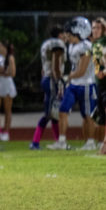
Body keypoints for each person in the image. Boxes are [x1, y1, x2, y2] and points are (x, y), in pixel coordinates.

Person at [49, 17, 97, 150]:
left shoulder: (86, 47)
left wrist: (66, 77)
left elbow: (81, 71)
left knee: (87, 115)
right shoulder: (72, 46)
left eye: (70, 34)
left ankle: (90, 142)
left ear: (79, 33)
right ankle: (62, 141)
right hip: (74, 84)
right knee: (62, 110)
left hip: (86, 84)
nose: (67, 36)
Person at [30, 26, 66, 150]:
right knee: (49, 113)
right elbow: (56, 63)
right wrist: (59, 79)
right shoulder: (58, 44)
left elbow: (44, 66)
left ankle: (57, 141)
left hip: (46, 78)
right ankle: (35, 142)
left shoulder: (46, 43)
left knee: (54, 113)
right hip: (52, 79)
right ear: (60, 35)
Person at [0, 41, 16, 141]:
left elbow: (12, 73)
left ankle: (6, 132)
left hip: (7, 84)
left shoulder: (10, 57)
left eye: (0, 46)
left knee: (7, 110)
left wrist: (1, 71)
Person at [90, 17, 106, 150]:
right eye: (93, 27)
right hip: (100, 83)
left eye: (98, 28)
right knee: (101, 116)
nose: (95, 30)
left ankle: (105, 144)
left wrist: (104, 71)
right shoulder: (95, 44)